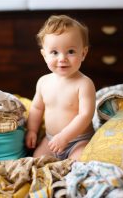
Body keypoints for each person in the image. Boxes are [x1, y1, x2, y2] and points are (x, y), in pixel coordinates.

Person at [26, 15, 96, 160]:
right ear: (44, 55)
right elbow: (36, 109)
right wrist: (32, 130)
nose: (62, 58)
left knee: (79, 161)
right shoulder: (43, 82)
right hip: (51, 140)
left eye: (70, 51)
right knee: (37, 159)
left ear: (83, 53)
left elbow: (85, 115)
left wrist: (65, 137)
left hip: (79, 140)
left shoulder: (84, 83)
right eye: (54, 52)